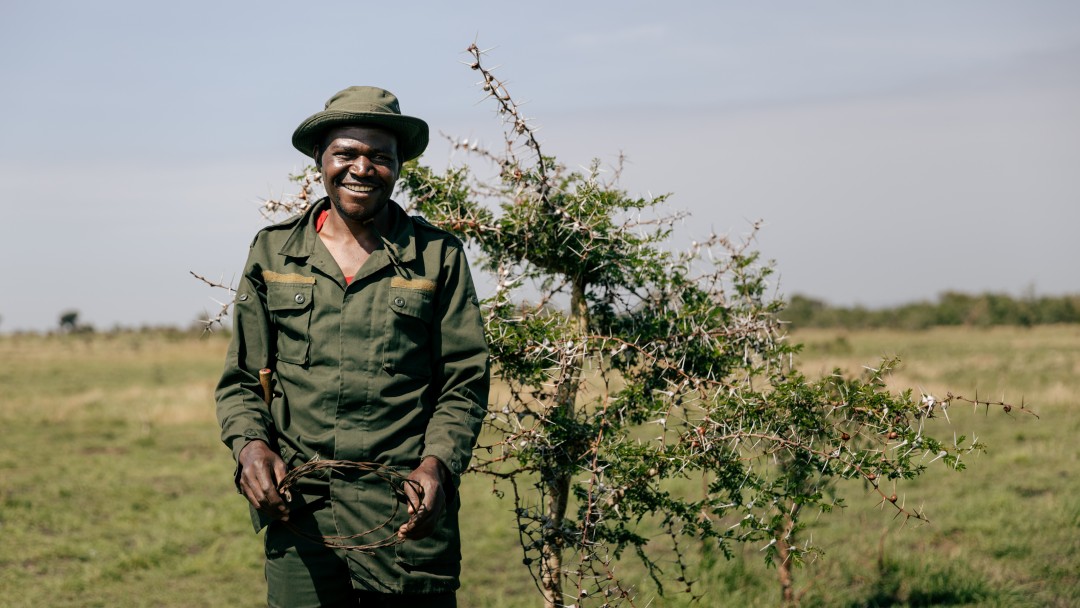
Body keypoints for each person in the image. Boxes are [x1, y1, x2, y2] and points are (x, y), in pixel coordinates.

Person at [215, 86, 490, 607]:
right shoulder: (273, 251)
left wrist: (437, 464)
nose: (362, 168)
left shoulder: (437, 257)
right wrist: (251, 447)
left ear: (398, 168)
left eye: (380, 156)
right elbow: (243, 380)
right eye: (346, 153)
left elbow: (465, 380)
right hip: (301, 513)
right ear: (321, 160)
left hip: (404, 510)